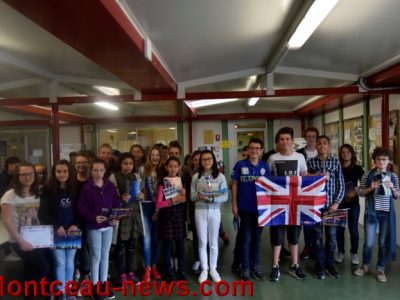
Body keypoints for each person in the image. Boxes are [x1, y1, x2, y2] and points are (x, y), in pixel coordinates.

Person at [1, 162, 52, 300]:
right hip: (19, 240)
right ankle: (32, 294)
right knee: (43, 267)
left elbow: (39, 217)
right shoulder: (10, 195)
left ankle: (29, 296)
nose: (27, 177)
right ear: (17, 176)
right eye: (23, 174)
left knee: (31, 268)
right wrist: (21, 242)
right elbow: (6, 221)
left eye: (30, 174)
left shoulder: (36, 193)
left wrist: (47, 239)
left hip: (36, 238)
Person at [267, 127, 307, 281]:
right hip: (277, 204)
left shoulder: (300, 157)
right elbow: (268, 180)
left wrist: (320, 177)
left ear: (292, 141)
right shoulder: (272, 158)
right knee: (277, 235)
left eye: (287, 139)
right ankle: (275, 265)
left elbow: (304, 178)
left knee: (294, 235)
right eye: (282, 139)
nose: (285, 142)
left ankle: (294, 265)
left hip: (295, 204)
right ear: (278, 141)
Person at [78, 158, 121, 300]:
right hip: (94, 228)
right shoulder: (87, 188)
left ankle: (104, 284)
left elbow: (116, 203)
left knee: (105, 256)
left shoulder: (109, 185)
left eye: (101, 170)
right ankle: (94, 285)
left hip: (108, 227)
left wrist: (115, 217)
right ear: (91, 171)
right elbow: (82, 208)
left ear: (105, 171)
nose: (98, 173)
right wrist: (93, 217)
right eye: (95, 170)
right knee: (95, 257)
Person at [354, 147, 399, 283]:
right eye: (378, 159)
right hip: (371, 213)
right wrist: (370, 188)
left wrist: (391, 187)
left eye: (384, 159)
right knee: (369, 243)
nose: (381, 162)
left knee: (383, 243)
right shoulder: (368, 175)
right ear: (374, 160)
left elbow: (397, 195)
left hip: (386, 214)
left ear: (389, 161)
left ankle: (380, 268)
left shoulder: (393, 176)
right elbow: (360, 193)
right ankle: (365, 265)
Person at [39, 159, 79, 300]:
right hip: (55, 232)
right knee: (59, 262)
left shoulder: (75, 188)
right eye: (58, 171)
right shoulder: (48, 190)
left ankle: (69, 291)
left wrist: (75, 224)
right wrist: (57, 226)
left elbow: (80, 210)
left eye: (64, 171)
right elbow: (43, 213)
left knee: (70, 262)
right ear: (54, 173)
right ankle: (61, 291)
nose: (62, 174)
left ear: (69, 172)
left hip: (73, 231)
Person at [231, 137, 270, 281]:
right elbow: (234, 184)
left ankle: (255, 266)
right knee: (245, 238)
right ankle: (245, 267)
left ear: (261, 151)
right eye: (252, 148)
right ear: (248, 150)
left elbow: (269, 187)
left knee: (257, 239)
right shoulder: (240, 165)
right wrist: (234, 204)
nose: (254, 150)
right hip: (244, 208)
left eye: (257, 148)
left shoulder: (265, 167)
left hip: (260, 209)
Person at [307, 135, 345, 280]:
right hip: (316, 207)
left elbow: (341, 185)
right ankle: (320, 266)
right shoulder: (311, 163)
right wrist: (318, 176)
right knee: (317, 237)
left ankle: (330, 265)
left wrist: (336, 203)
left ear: (328, 146)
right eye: (319, 144)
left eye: (325, 143)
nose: (322, 146)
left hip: (331, 207)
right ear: (316, 146)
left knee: (332, 237)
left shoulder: (335, 162)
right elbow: (306, 182)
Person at [191, 150, 228, 283]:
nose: (207, 161)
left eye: (209, 159)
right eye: (204, 159)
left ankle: (213, 269)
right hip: (200, 211)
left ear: (213, 160)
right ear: (200, 162)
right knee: (202, 241)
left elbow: (225, 196)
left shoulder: (220, 177)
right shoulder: (196, 177)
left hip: (214, 211)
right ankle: (204, 270)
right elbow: (192, 196)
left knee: (213, 242)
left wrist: (212, 199)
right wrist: (199, 196)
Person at [109, 153, 144, 286]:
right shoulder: (113, 177)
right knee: (121, 246)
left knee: (132, 245)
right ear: (120, 164)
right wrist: (119, 199)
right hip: (121, 214)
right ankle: (121, 274)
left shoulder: (136, 176)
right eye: (125, 163)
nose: (128, 166)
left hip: (134, 213)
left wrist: (141, 195)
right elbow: (109, 198)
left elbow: (141, 192)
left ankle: (131, 273)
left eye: (130, 163)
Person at [155, 157, 187, 282]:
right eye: (170, 166)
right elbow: (158, 204)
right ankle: (169, 271)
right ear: (166, 167)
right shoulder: (162, 184)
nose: (173, 169)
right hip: (167, 217)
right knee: (167, 246)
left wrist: (184, 195)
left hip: (179, 216)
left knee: (180, 245)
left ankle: (181, 270)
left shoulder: (181, 182)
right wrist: (173, 200)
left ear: (179, 167)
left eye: (175, 166)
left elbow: (184, 201)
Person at [335, 144, 364, 265]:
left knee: (353, 229)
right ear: (340, 154)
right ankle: (341, 252)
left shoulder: (358, 168)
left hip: (353, 203)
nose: (346, 154)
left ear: (352, 153)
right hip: (339, 202)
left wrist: (355, 191)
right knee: (340, 229)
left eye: (348, 152)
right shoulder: (337, 167)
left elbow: (364, 184)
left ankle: (354, 253)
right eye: (343, 152)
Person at [139, 146, 164, 281]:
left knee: (155, 240)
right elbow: (138, 187)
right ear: (149, 157)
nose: (155, 157)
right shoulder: (143, 170)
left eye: (157, 155)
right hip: (145, 207)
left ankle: (154, 267)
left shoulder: (163, 171)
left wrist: (158, 210)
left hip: (158, 208)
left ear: (160, 157)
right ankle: (147, 268)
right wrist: (140, 193)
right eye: (153, 155)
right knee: (146, 240)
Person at [297, 127, 319, 260]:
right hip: (304, 192)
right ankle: (308, 245)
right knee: (306, 221)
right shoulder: (299, 154)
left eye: (313, 136)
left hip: (319, 193)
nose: (311, 139)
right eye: (308, 136)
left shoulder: (322, 153)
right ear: (305, 138)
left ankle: (318, 247)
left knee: (319, 222)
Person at [0, 156, 21, 262]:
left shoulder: (13, 176)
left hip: (11, 206)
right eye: (12, 166)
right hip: (5, 206)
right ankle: (8, 253)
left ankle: (9, 251)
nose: (14, 168)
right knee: (6, 229)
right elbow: (3, 193)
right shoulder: (4, 177)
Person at [187, 150, 201, 273]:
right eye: (195, 160)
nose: (198, 162)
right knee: (196, 235)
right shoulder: (190, 174)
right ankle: (197, 259)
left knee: (207, 237)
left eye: (200, 159)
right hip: (193, 209)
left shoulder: (210, 174)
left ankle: (207, 261)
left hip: (207, 209)